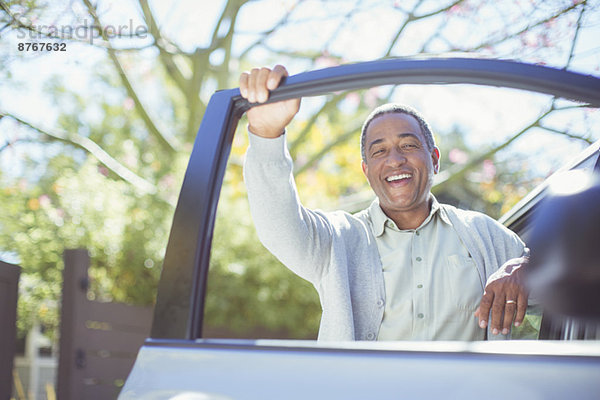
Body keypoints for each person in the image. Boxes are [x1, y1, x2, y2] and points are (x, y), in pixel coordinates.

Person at [240, 65, 529, 341]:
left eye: (408, 145)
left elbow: (558, 268)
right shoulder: (337, 240)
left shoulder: (486, 236)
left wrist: (526, 267)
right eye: (379, 151)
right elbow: (277, 228)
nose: (395, 160)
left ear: (435, 160)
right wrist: (266, 134)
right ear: (366, 172)